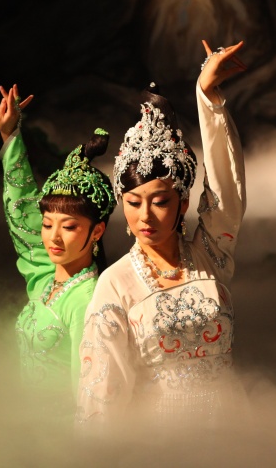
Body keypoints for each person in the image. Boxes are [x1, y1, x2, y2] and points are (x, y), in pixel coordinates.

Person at [75, 40, 248, 430]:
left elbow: (227, 196)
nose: (145, 216)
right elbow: (101, 394)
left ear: (183, 203)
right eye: (133, 202)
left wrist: (207, 97)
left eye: (160, 201)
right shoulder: (115, 284)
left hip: (234, 433)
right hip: (162, 444)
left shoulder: (209, 257)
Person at [0, 83, 116, 409]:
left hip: (61, 430)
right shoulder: (46, 277)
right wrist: (10, 135)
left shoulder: (88, 300)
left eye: (70, 226)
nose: (54, 237)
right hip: (29, 422)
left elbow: (89, 392)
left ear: (97, 231)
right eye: (48, 225)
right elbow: (22, 213)